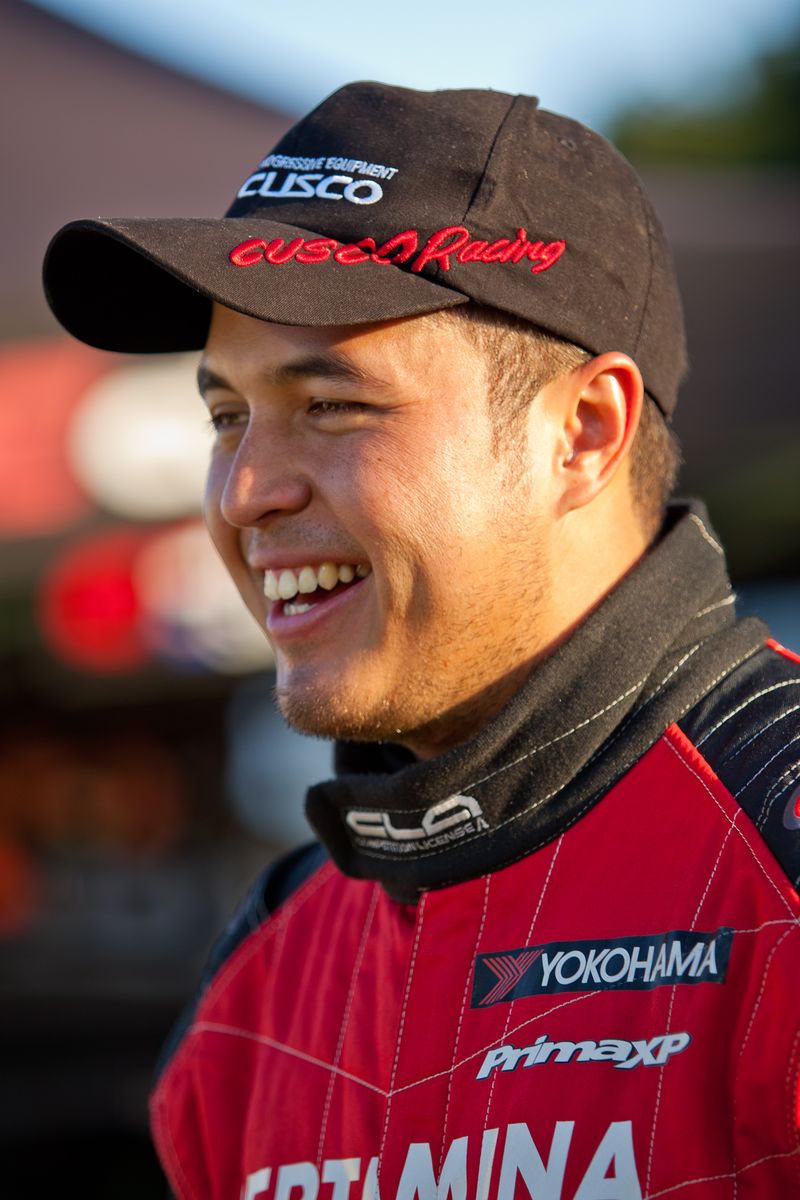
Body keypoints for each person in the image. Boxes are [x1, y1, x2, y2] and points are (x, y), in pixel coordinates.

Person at [43, 82, 800, 1200]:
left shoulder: (774, 864)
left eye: (333, 405)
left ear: (582, 433)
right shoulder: (260, 982)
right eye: (226, 417)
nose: (244, 491)